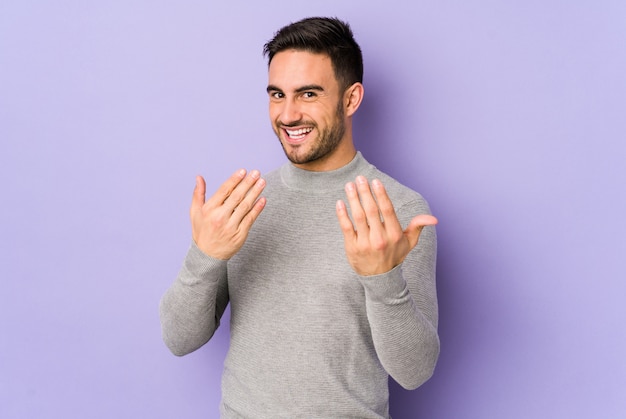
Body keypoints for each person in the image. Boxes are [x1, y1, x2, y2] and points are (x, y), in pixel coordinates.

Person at [160, 16, 439, 418]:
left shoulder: (399, 210)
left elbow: (415, 371)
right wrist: (203, 257)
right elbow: (178, 339)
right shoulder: (242, 205)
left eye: (308, 94)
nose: (288, 115)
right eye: (277, 95)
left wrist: (382, 280)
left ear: (351, 99)